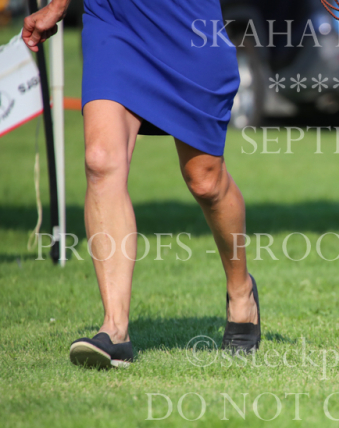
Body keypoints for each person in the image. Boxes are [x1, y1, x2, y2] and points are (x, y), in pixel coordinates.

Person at [23, 0, 261, 368]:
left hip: (188, 24)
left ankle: (241, 289)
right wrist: (58, 5)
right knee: (100, 162)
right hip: (114, 19)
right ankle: (115, 330)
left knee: (205, 181)